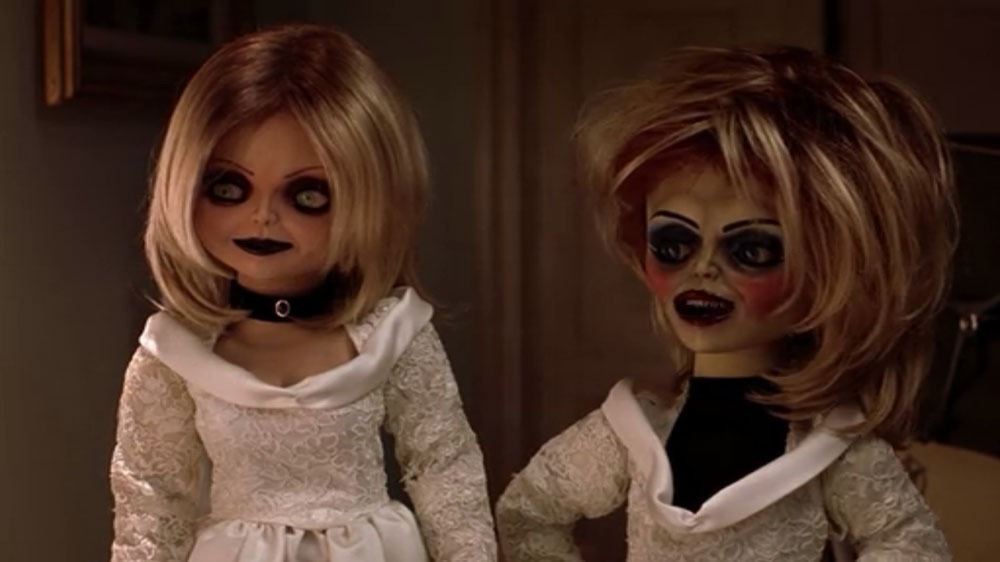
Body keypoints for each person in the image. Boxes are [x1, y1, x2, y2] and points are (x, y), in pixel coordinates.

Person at [496, 46, 956, 561]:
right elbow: (527, 513)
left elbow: (911, 543)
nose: (703, 269)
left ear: (829, 272)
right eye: (674, 244)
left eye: (751, 250)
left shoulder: (829, 448)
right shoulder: (630, 433)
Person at [110, 24, 497, 562]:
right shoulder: (175, 353)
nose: (262, 217)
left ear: (368, 200)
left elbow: (444, 465)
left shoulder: (391, 337)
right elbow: (153, 501)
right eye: (229, 188)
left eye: (308, 196)